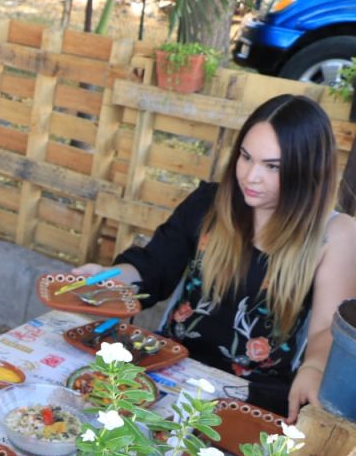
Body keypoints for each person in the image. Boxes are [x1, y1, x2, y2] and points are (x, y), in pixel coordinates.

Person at [74, 94, 356, 421]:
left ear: (307, 170)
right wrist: (110, 278)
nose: (250, 176)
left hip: (251, 398)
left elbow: (327, 330)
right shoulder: (209, 202)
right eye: (246, 157)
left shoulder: (334, 234)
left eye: (272, 166)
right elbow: (152, 267)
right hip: (166, 370)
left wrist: (315, 367)